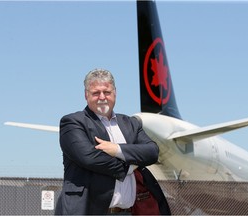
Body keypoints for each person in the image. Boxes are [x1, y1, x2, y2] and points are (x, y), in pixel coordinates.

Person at [55, 68, 170, 215]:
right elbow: (89, 157)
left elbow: (152, 152)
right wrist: (130, 165)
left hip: (127, 212)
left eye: (107, 92)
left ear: (115, 93)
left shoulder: (131, 123)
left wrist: (117, 150)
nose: (102, 97)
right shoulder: (72, 122)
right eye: (96, 93)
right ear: (86, 95)